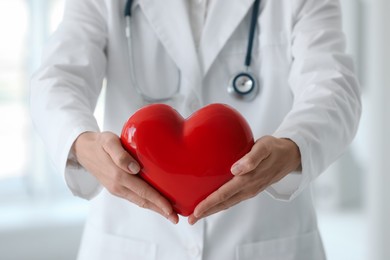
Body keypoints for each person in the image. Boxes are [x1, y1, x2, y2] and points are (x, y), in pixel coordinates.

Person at [30, 0, 361, 259]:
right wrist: (82, 144)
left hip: (265, 238)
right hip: (134, 239)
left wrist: (292, 148)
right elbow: (58, 79)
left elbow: (334, 87)